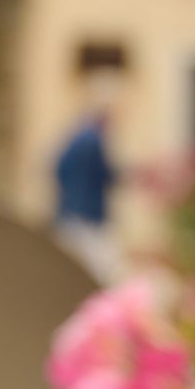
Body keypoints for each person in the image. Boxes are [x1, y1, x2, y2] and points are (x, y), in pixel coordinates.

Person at [51, 92, 122, 282]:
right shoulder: (94, 140)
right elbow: (106, 174)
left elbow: (58, 169)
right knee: (103, 268)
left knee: (73, 264)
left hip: (70, 211)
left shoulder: (76, 137)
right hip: (88, 215)